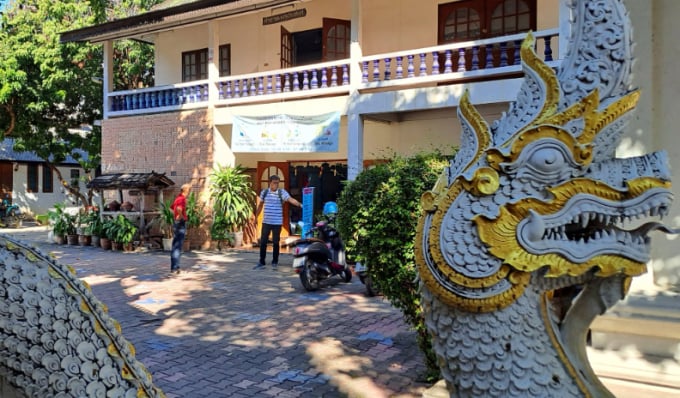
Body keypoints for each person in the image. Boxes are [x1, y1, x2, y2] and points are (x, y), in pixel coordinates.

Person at [254, 175, 301, 270]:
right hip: (266, 222)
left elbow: (290, 199)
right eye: (274, 183)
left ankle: (275, 261)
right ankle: (261, 261)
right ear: (269, 182)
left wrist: (300, 204)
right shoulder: (265, 192)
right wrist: (256, 217)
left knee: (276, 242)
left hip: (277, 222)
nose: (276, 185)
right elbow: (260, 205)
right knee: (263, 242)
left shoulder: (282, 192)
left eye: (277, 183)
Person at [169, 183, 191, 274]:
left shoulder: (177, 198)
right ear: (186, 190)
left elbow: (171, 208)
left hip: (176, 223)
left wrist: (175, 217)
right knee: (178, 246)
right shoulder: (182, 199)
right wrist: (181, 217)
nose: (190, 192)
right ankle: (175, 268)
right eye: (189, 190)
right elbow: (178, 208)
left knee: (175, 246)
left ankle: (174, 267)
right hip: (180, 223)